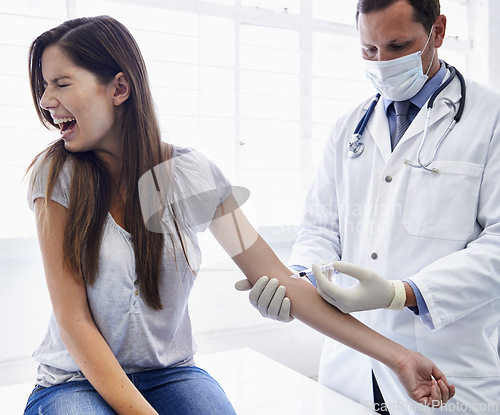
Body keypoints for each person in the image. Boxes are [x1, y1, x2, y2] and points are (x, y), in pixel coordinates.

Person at [24, 15, 454, 415]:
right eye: (44, 87)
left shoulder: (193, 176)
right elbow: (74, 321)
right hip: (74, 380)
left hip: (167, 373)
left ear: (119, 89)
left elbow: (281, 280)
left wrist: (399, 357)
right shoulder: (56, 176)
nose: (46, 101)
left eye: (61, 83)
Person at [240, 0, 500, 414]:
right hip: (350, 371)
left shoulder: (490, 119)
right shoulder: (349, 127)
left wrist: (405, 294)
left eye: (397, 46)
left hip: (449, 369)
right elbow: (321, 229)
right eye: (369, 51)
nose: (382, 63)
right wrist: (300, 283)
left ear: (437, 31)